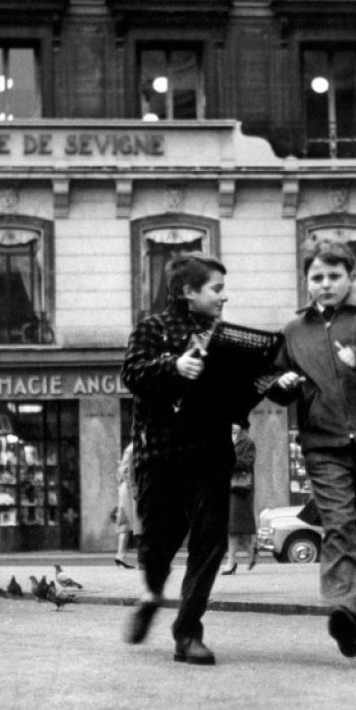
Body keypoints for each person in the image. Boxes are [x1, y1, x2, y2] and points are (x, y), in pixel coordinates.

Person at [266, 240, 356, 658]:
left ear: (353, 278)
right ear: (306, 282)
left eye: (334, 276)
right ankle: (342, 610)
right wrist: (282, 385)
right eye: (317, 277)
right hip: (322, 444)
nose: (325, 284)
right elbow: (272, 383)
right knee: (339, 525)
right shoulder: (294, 332)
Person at [121, 254, 236, 667]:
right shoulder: (152, 327)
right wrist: (174, 365)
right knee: (158, 541)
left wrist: (272, 382)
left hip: (210, 453)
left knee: (211, 542)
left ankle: (188, 632)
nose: (224, 296)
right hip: (162, 454)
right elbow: (132, 373)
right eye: (216, 289)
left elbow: (236, 389)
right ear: (189, 291)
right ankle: (152, 592)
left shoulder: (224, 336)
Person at [223, 423, 257, 574]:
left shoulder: (247, 442)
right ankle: (250, 551)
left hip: (238, 489)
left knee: (233, 527)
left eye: (235, 422)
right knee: (230, 526)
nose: (232, 426)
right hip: (223, 487)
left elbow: (248, 462)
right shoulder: (222, 438)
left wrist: (229, 460)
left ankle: (231, 563)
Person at [113, 442, 138, 568]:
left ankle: (120, 555)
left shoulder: (130, 448)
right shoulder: (133, 448)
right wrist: (133, 489)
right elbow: (127, 471)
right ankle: (143, 558)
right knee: (138, 521)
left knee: (125, 523)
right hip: (129, 489)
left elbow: (123, 470)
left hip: (125, 487)